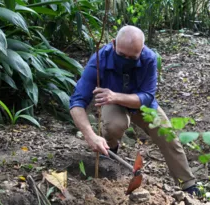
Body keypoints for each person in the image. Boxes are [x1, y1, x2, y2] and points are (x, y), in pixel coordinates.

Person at [69, 25, 199, 195]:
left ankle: (188, 185)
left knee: (168, 136)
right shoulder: (100, 59)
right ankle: (109, 154)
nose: (126, 59)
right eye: (122, 55)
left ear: (142, 50)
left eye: (132, 57)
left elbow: (147, 96)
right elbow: (77, 101)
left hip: (139, 104)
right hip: (112, 103)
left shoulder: (149, 58)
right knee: (113, 125)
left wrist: (115, 96)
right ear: (113, 44)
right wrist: (90, 135)